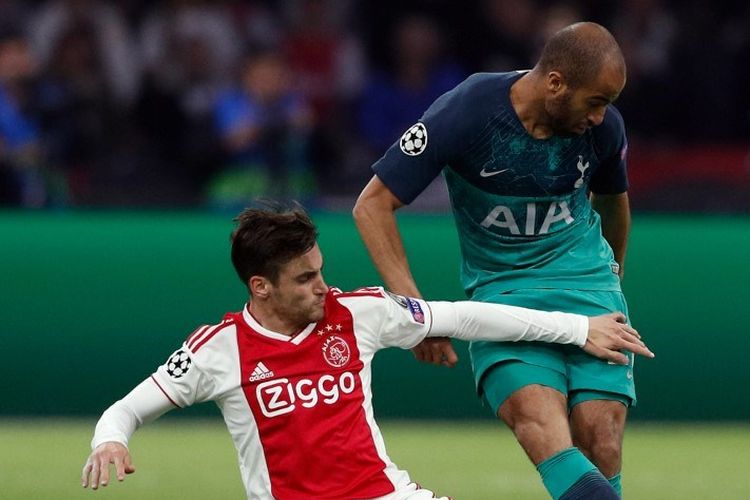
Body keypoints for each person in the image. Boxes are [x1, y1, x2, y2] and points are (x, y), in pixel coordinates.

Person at [81, 204, 653, 500]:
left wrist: (577, 329)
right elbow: (126, 409)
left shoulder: (357, 313)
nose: (322, 287)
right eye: (304, 279)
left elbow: (466, 315)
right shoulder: (218, 350)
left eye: (321, 271)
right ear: (261, 287)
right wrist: (110, 439)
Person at [353, 22, 636, 499]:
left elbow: (613, 201)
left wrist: (611, 276)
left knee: (601, 440)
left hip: (588, 284)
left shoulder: (605, 128)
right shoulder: (468, 111)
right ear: (555, 83)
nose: (600, 116)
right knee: (541, 426)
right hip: (504, 293)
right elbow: (372, 204)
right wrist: (416, 312)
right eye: (594, 101)